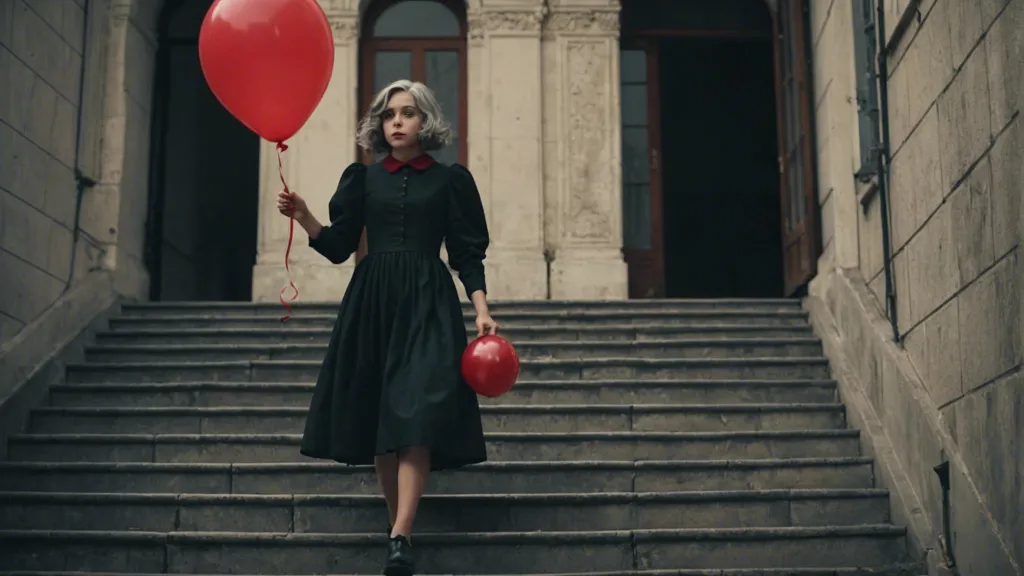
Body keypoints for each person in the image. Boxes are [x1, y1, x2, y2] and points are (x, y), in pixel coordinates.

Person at [276, 79, 497, 576]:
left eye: (407, 113)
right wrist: (307, 216)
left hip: (428, 300)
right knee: (383, 420)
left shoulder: (450, 181)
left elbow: (466, 252)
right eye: (388, 114)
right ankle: (396, 527)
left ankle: (401, 533)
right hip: (372, 299)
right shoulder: (363, 178)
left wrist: (481, 308)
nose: (396, 122)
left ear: (426, 122)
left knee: (415, 411)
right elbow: (337, 246)